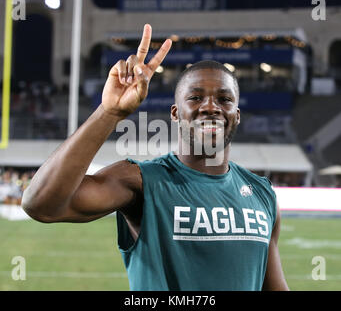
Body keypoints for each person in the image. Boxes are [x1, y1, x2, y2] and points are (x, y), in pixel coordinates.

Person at [22, 24, 289, 291]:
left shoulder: (262, 195)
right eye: (195, 97)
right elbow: (41, 204)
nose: (210, 107)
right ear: (175, 113)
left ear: (237, 115)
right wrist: (109, 112)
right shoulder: (140, 181)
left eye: (224, 99)